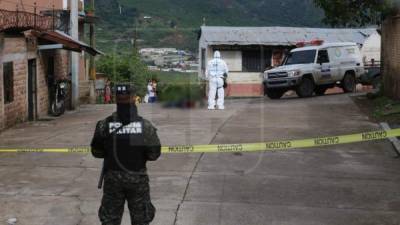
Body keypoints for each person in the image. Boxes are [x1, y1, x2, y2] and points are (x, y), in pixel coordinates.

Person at [91, 84, 161, 225]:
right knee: (141, 220)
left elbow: (96, 152)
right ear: (134, 98)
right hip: (137, 179)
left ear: (116, 99)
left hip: (112, 180)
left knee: (110, 220)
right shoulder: (145, 126)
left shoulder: (105, 125)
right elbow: (154, 154)